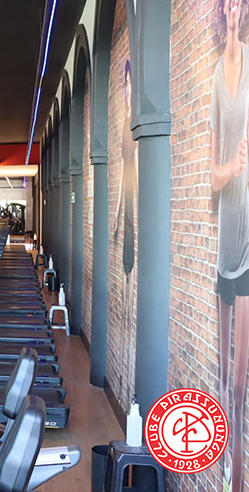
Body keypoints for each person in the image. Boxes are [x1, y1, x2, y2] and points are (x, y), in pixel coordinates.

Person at [210, 0, 249, 492]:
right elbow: (211, 175)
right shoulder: (217, 72)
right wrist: (231, 167)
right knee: (223, 375)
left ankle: (238, 476)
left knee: (241, 383)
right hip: (226, 232)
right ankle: (223, 470)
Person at [112, 59, 137, 396]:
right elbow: (122, 173)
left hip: (138, 203)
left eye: (132, 85)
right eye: (126, 86)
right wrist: (117, 215)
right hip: (127, 203)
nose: (129, 91)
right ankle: (124, 360)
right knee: (126, 272)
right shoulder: (123, 125)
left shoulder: (139, 122)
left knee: (132, 270)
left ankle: (129, 372)